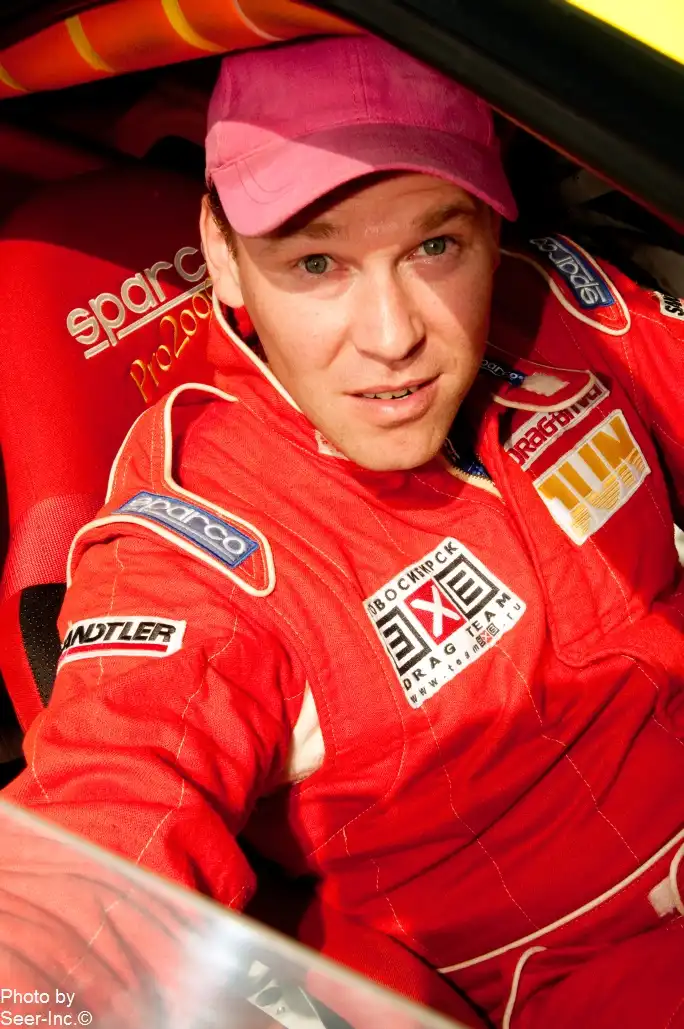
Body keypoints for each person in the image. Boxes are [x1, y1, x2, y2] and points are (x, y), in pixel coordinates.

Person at [2, 31, 684, 1029]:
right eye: (317, 261)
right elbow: (98, 830)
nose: (393, 334)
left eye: (435, 247)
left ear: (495, 221)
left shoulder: (555, 309)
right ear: (225, 256)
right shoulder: (201, 547)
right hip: (594, 979)